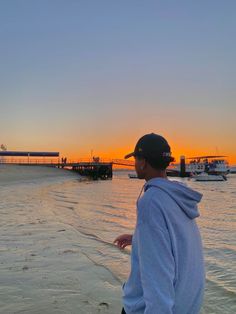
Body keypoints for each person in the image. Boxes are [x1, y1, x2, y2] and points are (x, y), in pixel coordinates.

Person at [114, 133, 205, 314]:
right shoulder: (177, 195)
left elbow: (158, 277)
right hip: (185, 305)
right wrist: (139, 238)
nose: (135, 163)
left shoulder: (151, 201)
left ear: (143, 162)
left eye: (136, 158)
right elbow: (176, 239)